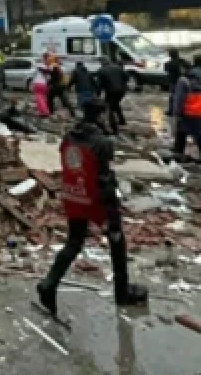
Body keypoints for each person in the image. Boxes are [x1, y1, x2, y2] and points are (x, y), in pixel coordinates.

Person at [36, 98, 148, 316]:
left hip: (73, 194)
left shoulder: (69, 137)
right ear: (101, 115)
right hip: (96, 197)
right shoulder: (101, 142)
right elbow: (104, 176)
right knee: (116, 240)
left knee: (74, 241)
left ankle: (49, 283)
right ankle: (122, 292)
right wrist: (111, 208)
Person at [172, 54, 201, 162]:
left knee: (181, 134)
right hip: (200, 112)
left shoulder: (183, 80)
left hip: (186, 112)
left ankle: (178, 155)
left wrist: (176, 112)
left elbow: (179, 98)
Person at [96, 56, 129, 134]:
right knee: (115, 104)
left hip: (111, 91)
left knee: (108, 108)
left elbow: (99, 85)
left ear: (102, 63)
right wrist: (122, 85)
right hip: (122, 91)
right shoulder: (118, 67)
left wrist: (97, 95)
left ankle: (114, 128)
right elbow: (127, 77)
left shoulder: (101, 70)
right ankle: (122, 121)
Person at [163, 48, 189, 116]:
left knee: (172, 96)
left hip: (173, 81)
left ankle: (171, 110)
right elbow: (189, 67)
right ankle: (182, 110)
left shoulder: (168, 64)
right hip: (183, 81)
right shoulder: (183, 61)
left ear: (170, 55)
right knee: (183, 96)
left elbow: (166, 70)